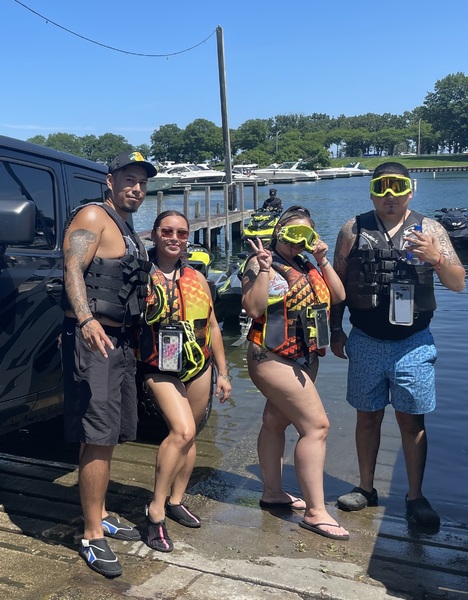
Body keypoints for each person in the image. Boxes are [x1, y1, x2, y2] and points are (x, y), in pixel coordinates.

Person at [330, 162, 465, 529]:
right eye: (382, 188)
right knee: (367, 416)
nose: (390, 196)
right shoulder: (352, 229)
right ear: (372, 192)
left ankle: (415, 496)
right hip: (365, 340)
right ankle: (366, 487)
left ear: (412, 189)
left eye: (398, 187)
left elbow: (457, 283)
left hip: (414, 343)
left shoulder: (430, 230)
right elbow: (336, 284)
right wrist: (335, 330)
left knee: (412, 421)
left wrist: (436, 258)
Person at [61, 151, 157, 577]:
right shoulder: (93, 216)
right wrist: (85, 320)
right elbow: (72, 268)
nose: (136, 188)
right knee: (98, 434)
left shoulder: (127, 225)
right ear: (110, 181)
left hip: (121, 341)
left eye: (142, 182)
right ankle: (91, 535)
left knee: (108, 433)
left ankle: (98, 513)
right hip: (94, 340)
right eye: (129, 179)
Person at [241, 205, 350, 541]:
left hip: (305, 356)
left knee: (276, 422)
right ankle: (316, 512)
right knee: (316, 426)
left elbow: (338, 296)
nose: (298, 240)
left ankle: (273, 492)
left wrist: (323, 259)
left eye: (307, 233)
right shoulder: (260, 261)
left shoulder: (307, 263)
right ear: (279, 231)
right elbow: (253, 308)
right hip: (270, 356)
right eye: (292, 232)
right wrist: (263, 270)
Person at [138, 210, 231, 552]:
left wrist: (223, 372)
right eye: (167, 231)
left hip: (198, 364)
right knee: (182, 431)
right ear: (154, 234)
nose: (174, 238)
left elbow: (213, 325)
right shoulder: (140, 275)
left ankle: (176, 500)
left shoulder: (198, 278)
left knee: (191, 437)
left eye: (181, 232)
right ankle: (155, 510)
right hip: (158, 365)